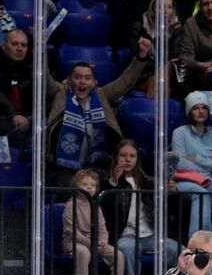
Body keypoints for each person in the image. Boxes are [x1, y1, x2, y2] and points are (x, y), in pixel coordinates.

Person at [44, 37, 154, 187]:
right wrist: (39, 47)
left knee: (110, 185)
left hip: (97, 164)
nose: (82, 82)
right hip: (62, 167)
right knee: (71, 190)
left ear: (94, 82)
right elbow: (43, 77)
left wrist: (141, 56)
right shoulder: (60, 92)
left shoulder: (101, 94)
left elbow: (125, 81)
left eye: (87, 78)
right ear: (69, 81)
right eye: (77, 77)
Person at [102, 139, 181, 275]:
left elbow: (164, 208)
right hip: (127, 234)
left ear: (137, 159)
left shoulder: (147, 182)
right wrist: (114, 184)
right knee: (127, 249)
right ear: (116, 157)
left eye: (132, 156)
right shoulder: (107, 182)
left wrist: (171, 192)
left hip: (150, 234)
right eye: (123, 155)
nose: (128, 159)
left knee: (176, 249)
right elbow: (107, 208)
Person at [171, 90, 212, 243]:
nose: (200, 111)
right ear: (189, 112)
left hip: (208, 181)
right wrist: (210, 160)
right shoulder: (179, 133)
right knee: (202, 195)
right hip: (185, 181)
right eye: (196, 108)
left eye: (204, 107)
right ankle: (197, 242)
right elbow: (179, 162)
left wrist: (195, 159)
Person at [61, 168, 126, 275]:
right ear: (76, 186)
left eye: (92, 185)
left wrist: (103, 240)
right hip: (74, 241)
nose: (88, 188)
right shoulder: (71, 205)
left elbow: (103, 229)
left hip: (95, 242)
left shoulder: (96, 206)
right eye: (84, 185)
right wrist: (91, 243)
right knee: (84, 253)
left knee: (117, 254)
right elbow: (72, 232)